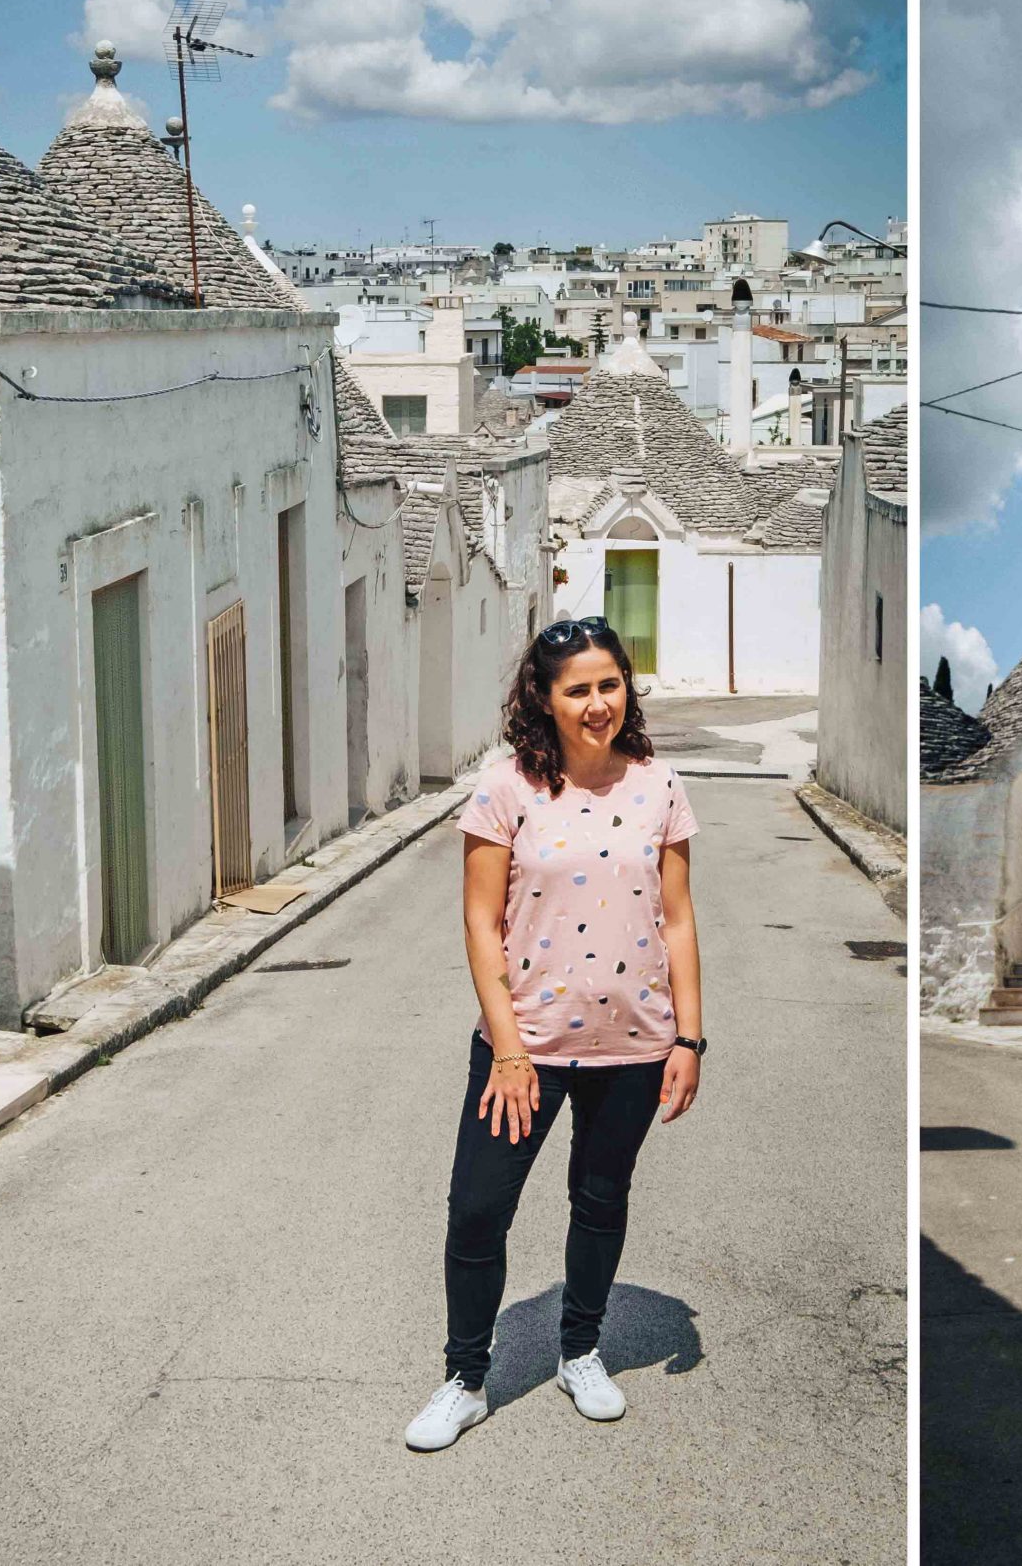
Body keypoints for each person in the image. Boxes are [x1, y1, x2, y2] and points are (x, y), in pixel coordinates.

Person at [404, 617, 707, 1451]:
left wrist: (689, 1040)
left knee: (600, 1203)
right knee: (476, 1211)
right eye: (578, 688)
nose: (598, 703)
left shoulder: (661, 786)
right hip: (524, 1048)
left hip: (636, 1046)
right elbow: (478, 921)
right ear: (543, 698)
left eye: (610, 684)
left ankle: (579, 1349)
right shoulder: (505, 790)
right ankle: (466, 1378)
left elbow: (678, 920)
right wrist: (507, 1048)